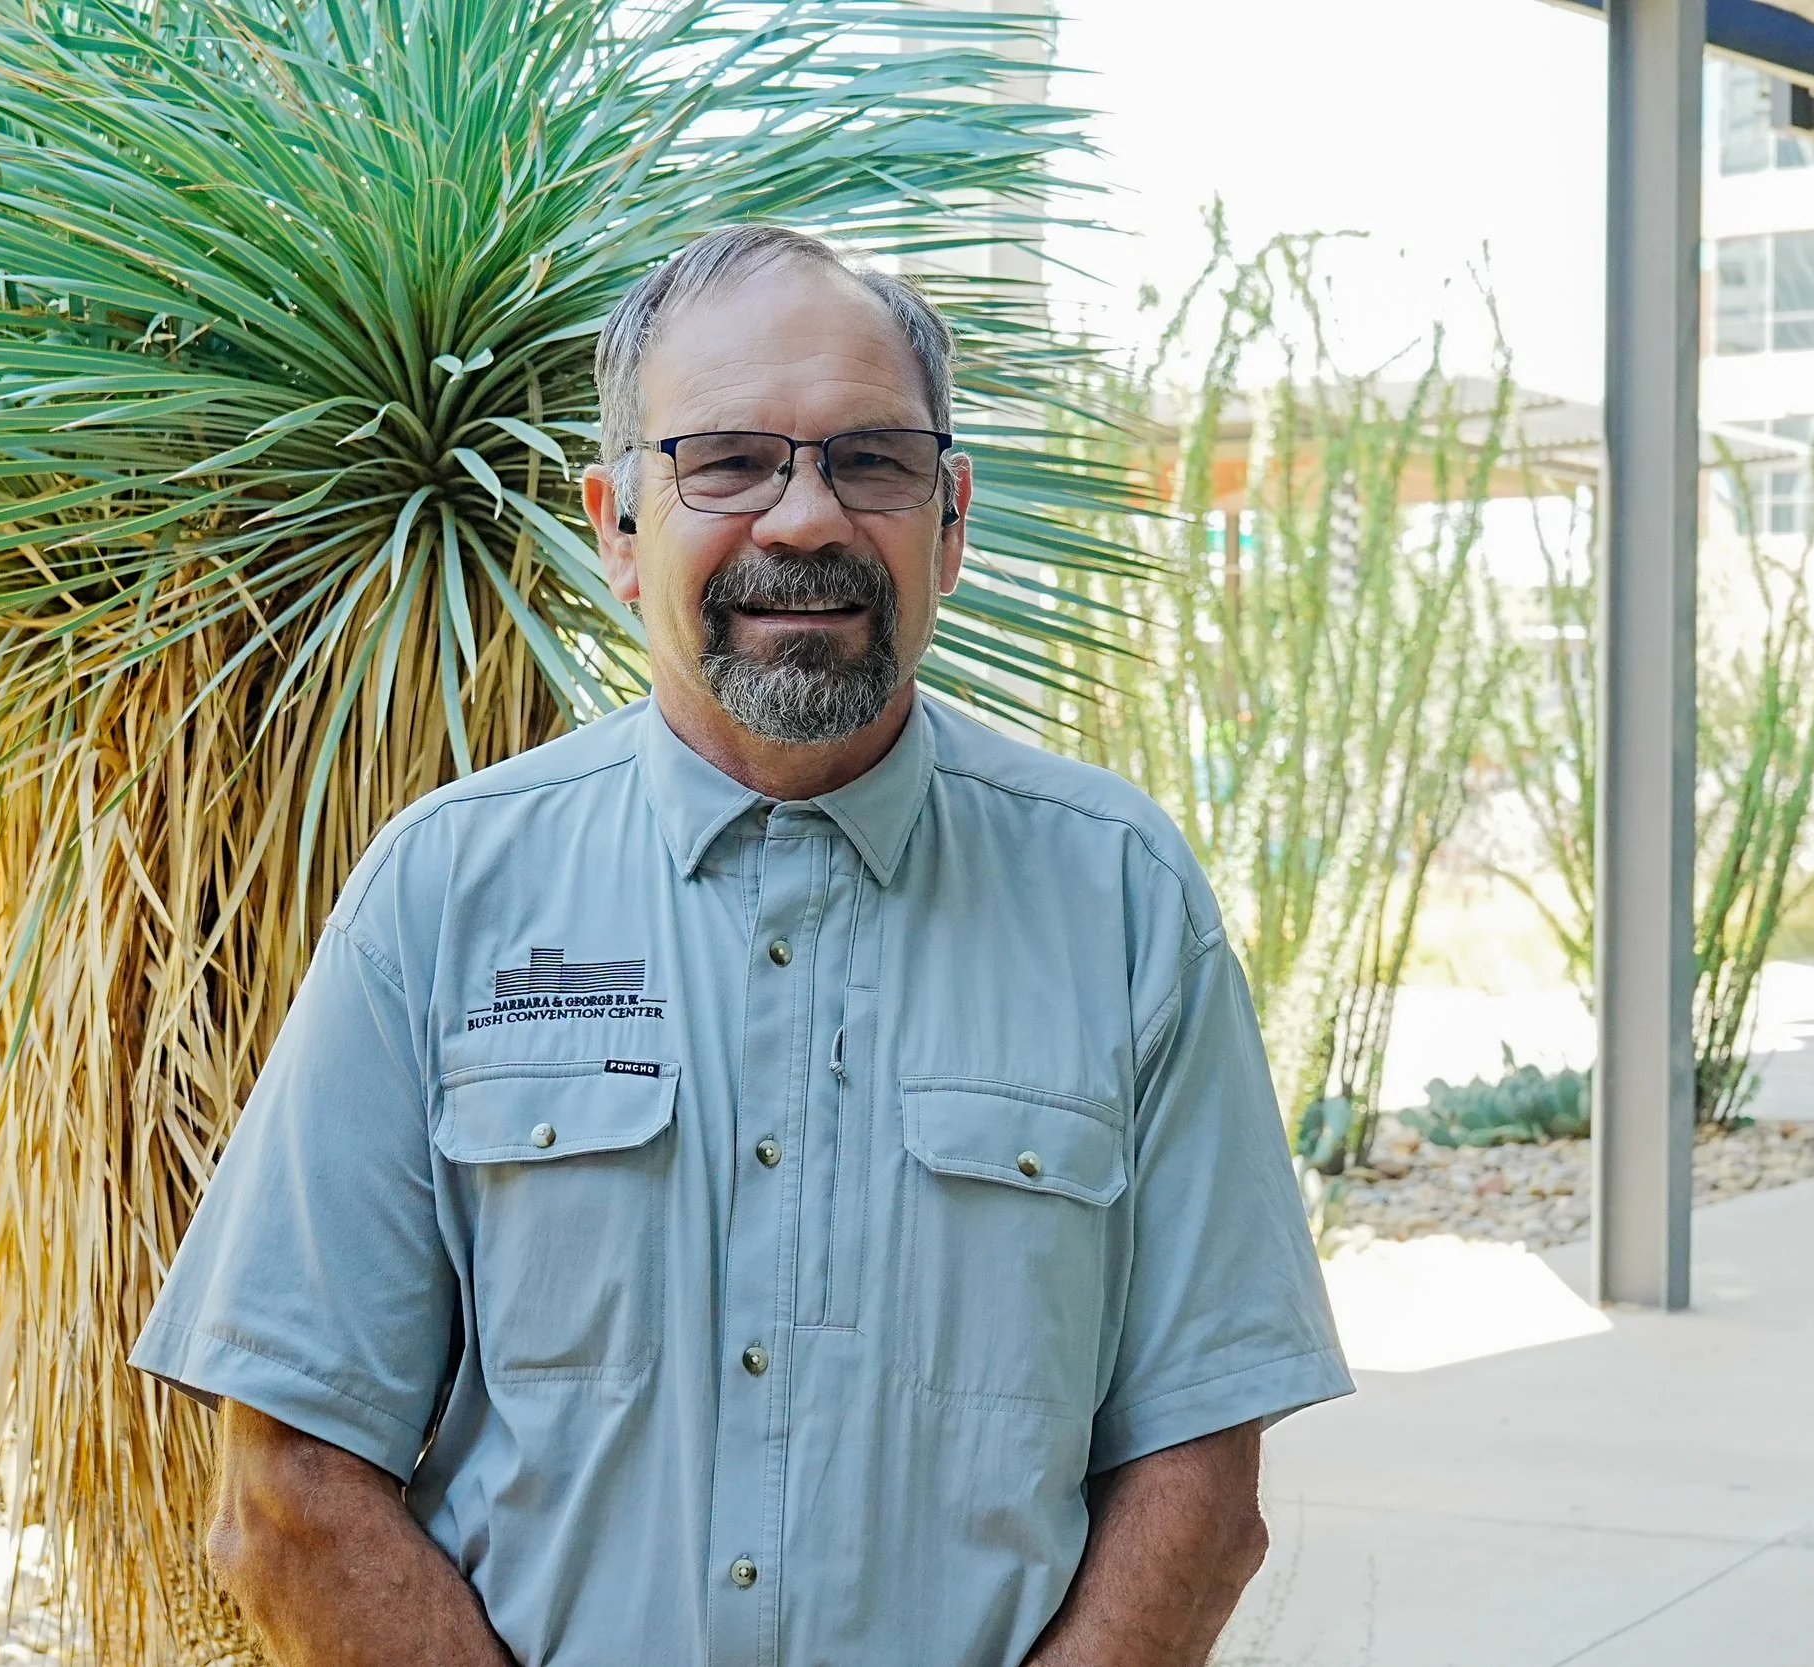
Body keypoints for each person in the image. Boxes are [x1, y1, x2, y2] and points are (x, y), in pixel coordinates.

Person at [129, 224, 1350, 1667]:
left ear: (950, 520)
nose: (805, 520)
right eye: (726, 461)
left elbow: (1201, 1485)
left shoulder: (1122, 898)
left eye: (872, 461)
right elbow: (288, 1492)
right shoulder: (444, 895)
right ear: (617, 522)